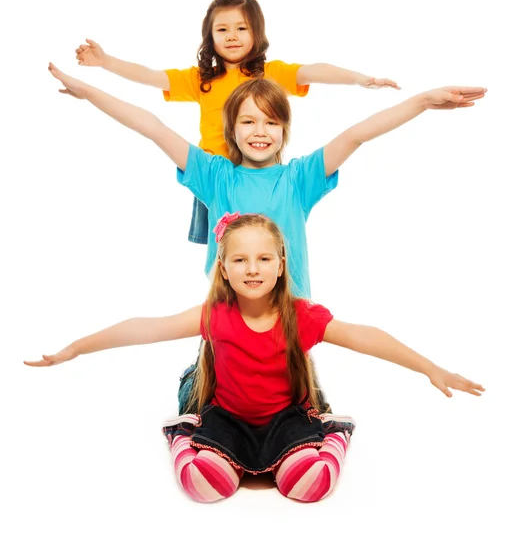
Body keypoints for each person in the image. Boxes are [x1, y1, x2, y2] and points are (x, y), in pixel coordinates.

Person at [48, 63, 487, 411]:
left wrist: (423, 102)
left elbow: (357, 134)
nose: (260, 131)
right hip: (230, 318)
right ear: (231, 131)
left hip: (289, 322)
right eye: (249, 121)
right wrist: (89, 93)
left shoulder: (300, 179)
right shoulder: (215, 176)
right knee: (215, 397)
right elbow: (153, 127)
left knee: (295, 404)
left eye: (272, 122)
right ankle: (201, 396)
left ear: (284, 131)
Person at [24, 214, 485, 503]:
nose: (252, 269)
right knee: (205, 489)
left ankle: (333, 433)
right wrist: (74, 349)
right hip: (228, 416)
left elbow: (364, 336)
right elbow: (145, 328)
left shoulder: (299, 316)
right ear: (223, 267)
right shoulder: (215, 315)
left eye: (264, 259)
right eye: (240, 260)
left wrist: (430, 367)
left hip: (285, 417)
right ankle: (183, 434)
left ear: (281, 264)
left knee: (309, 488)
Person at [74, 0, 400, 244]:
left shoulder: (269, 73)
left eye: (241, 28)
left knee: (264, 240)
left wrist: (359, 78)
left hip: (259, 174)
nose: (232, 36)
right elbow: (150, 75)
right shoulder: (201, 78)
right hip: (216, 178)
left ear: (256, 33)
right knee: (225, 251)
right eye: (223, 29)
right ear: (210, 36)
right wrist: (106, 62)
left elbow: (314, 70)